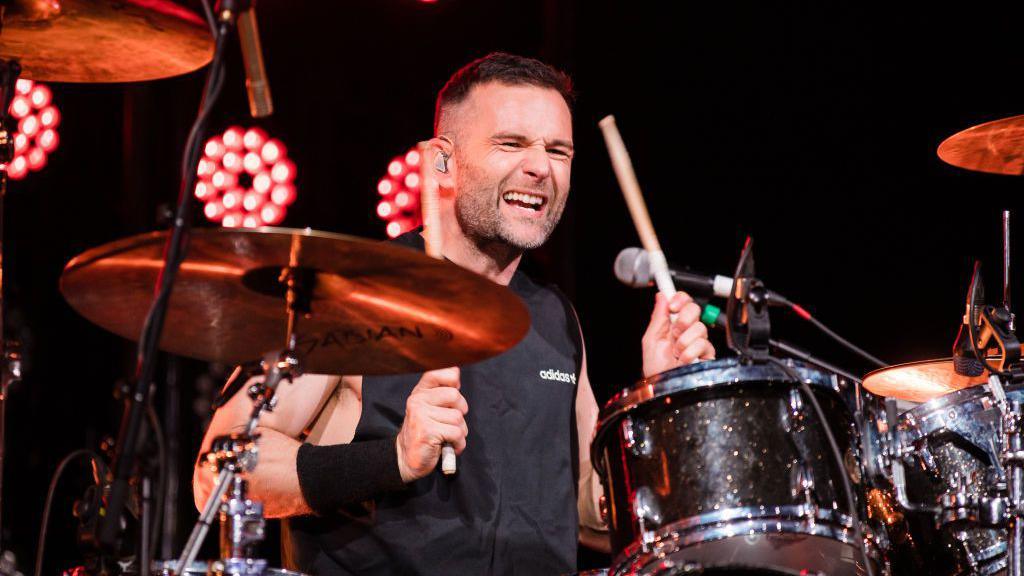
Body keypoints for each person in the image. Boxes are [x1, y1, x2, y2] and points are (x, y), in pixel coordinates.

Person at [193, 52, 715, 575]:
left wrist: (661, 401)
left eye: (558, 150)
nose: (540, 167)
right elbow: (218, 472)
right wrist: (392, 459)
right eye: (511, 143)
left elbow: (589, 515)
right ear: (443, 162)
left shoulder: (557, 318)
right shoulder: (353, 291)